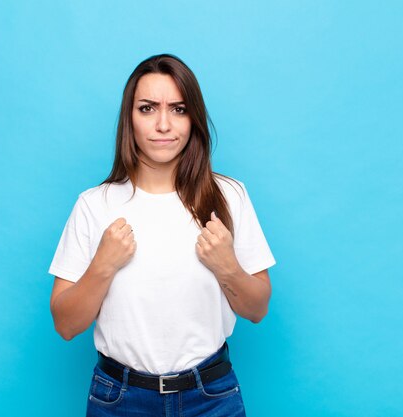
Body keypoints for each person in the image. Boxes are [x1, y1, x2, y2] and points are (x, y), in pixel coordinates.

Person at [48, 53, 276, 416]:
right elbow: (65, 324)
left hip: (210, 397)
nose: (164, 124)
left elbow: (257, 309)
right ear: (130, 119)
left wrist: (227, 266)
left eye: (179, 109)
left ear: (193, 119)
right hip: (120, 399)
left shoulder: (230, 196)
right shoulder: (94, 205)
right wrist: (103, 266)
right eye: (148, 108)